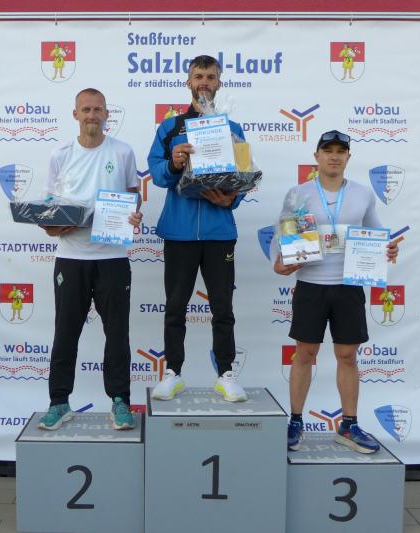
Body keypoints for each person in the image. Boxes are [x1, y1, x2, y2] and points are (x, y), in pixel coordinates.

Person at [273, 130, 399, 454]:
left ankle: (349, 425)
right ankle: (295, 421)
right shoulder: (298, 194)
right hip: (311, 285)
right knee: (305, 354)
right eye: (327, 150)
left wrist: (386, 250)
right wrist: (281, 261)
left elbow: (375, 235)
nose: (333, 156)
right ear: (316, 156)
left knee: (347, 356)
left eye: (340, 151)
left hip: (349, 286)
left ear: (348, 157)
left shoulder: (362, 194)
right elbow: (281, 238)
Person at [37, 88, 142, 431]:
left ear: (107, 114)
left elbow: (133, 197)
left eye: (98, 109)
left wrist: (134, 214)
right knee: (65, 333)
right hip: (71, 257)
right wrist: (55, 226)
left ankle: (120, 401)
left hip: (112, 257)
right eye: (86, 109)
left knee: (117, 334)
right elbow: (49, 210)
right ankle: (59, 402)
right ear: (75, 114)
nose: (92, 115)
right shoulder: (60, 154)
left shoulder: (123, 151)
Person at [147, 55, 247, 402]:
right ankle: (173, 372)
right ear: (188, 82)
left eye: (210, 76)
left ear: (219, 83)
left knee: (223, 307)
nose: (204, 82)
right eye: (198, 76)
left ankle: (226, 374)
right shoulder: (170, 127)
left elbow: (243, 174)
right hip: (180, 232)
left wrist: (230, 200)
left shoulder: (232, 128)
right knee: (175, 306)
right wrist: (174, 164)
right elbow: (156, 172)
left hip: (220, 233)